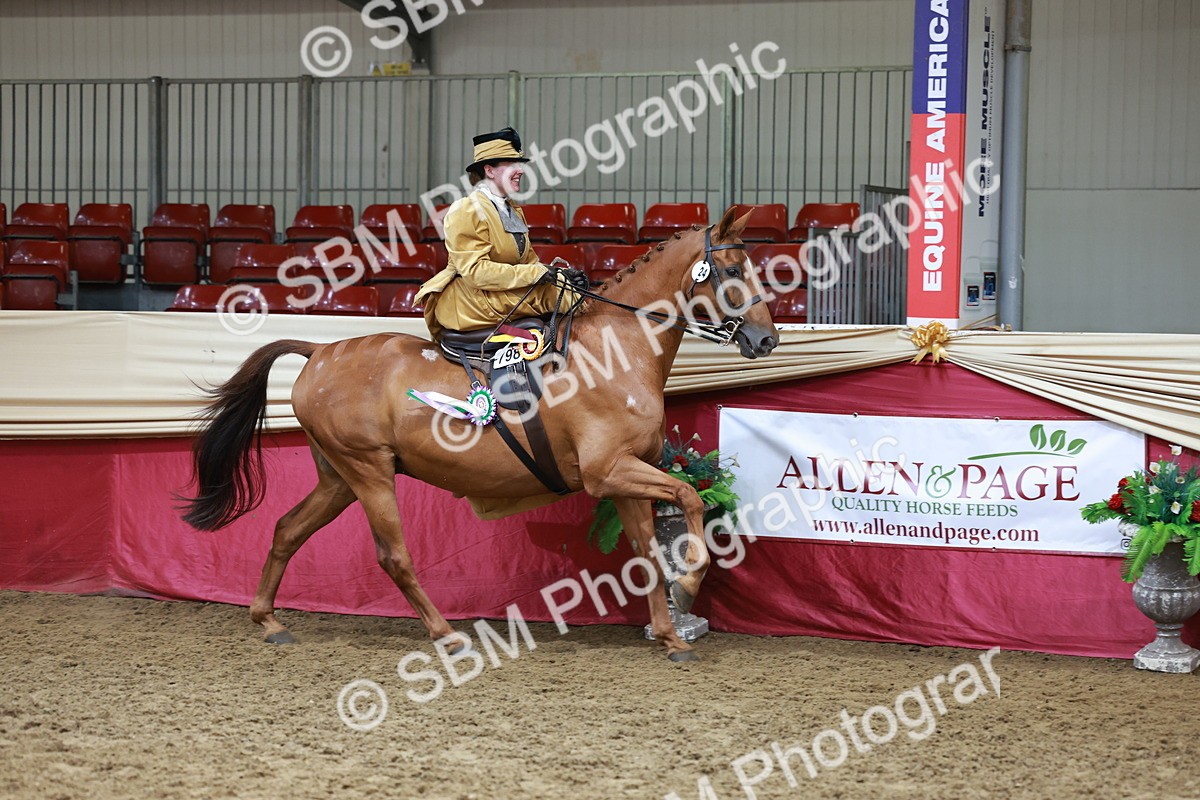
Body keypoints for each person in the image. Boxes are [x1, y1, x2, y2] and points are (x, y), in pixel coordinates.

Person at [415, 127, 588, 341]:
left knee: (567, 288)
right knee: (563, 296)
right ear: (489, 170)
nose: (521, 171)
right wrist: (537, 275)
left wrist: (558, 275)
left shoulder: (513, 210)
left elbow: (530, 262)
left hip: (499, 293)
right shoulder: (466, 209)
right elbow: (476, 272)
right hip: (471, 300)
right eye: (512, 165)